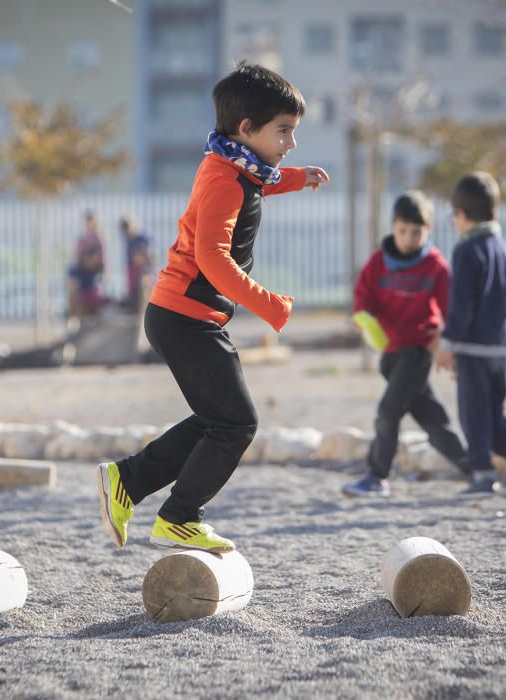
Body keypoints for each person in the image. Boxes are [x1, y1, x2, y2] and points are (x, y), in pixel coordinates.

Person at [96, 63, 330, 553]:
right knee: (238, 423)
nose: (290, 143)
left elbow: (261, 180)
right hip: (186, 319)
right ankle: (179, 517)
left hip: (182, 316)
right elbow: (212, 257)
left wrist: (296, 178)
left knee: (216, 419)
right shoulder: (224, 178)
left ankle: (126, 481)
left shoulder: (235, 164)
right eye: (283, 131)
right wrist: (269, 303)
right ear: (246, 129)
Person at [342, 190, 468, 498]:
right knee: (431, 417)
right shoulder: (378, 262)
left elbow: (451, 309)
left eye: (416, 231)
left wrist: (444, 341)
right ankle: (474, 467)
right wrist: (363, 319)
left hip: (418, 350)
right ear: (392, 227)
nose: (409, 237)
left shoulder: (436, 266)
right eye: (402, 231)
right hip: (390, 353)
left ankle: (376, 475)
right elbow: (364, 298)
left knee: (388, 411)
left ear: (428, 231)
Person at [434, 172, 506, 497]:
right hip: (498, 347)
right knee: (493, 416)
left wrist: (448, 344)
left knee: (473, 416)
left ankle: (482, 474)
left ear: (461, 215)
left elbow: (462, 304)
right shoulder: (502, 247)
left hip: (471, 349)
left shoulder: (467, 250)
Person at [120, 216, 152, 312]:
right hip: (133, 272)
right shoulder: (128, 240)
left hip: (145, 271)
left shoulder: (143, 239)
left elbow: (151, 258)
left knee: (143, 285)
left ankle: (142, 311)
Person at [67, 245, 108, 317]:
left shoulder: (93, 269)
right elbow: (73, 289)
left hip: (91, 297)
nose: (96, 262)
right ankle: (76, 317)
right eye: (94, 259)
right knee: (74, 293)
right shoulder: (75, 269)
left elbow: (101, 282)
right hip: (80, 298)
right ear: (87, 257)